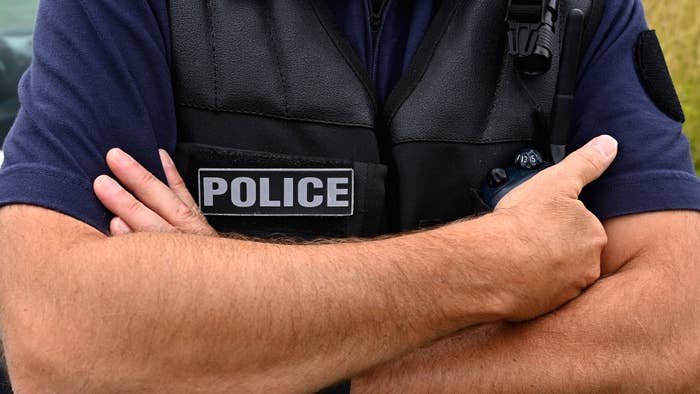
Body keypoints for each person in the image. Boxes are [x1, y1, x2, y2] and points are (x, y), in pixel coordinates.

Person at [0, 0, 698, 392]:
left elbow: (680, 323)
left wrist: (242, 351)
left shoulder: (581, 7)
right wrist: (488, 264)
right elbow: (56, 336)